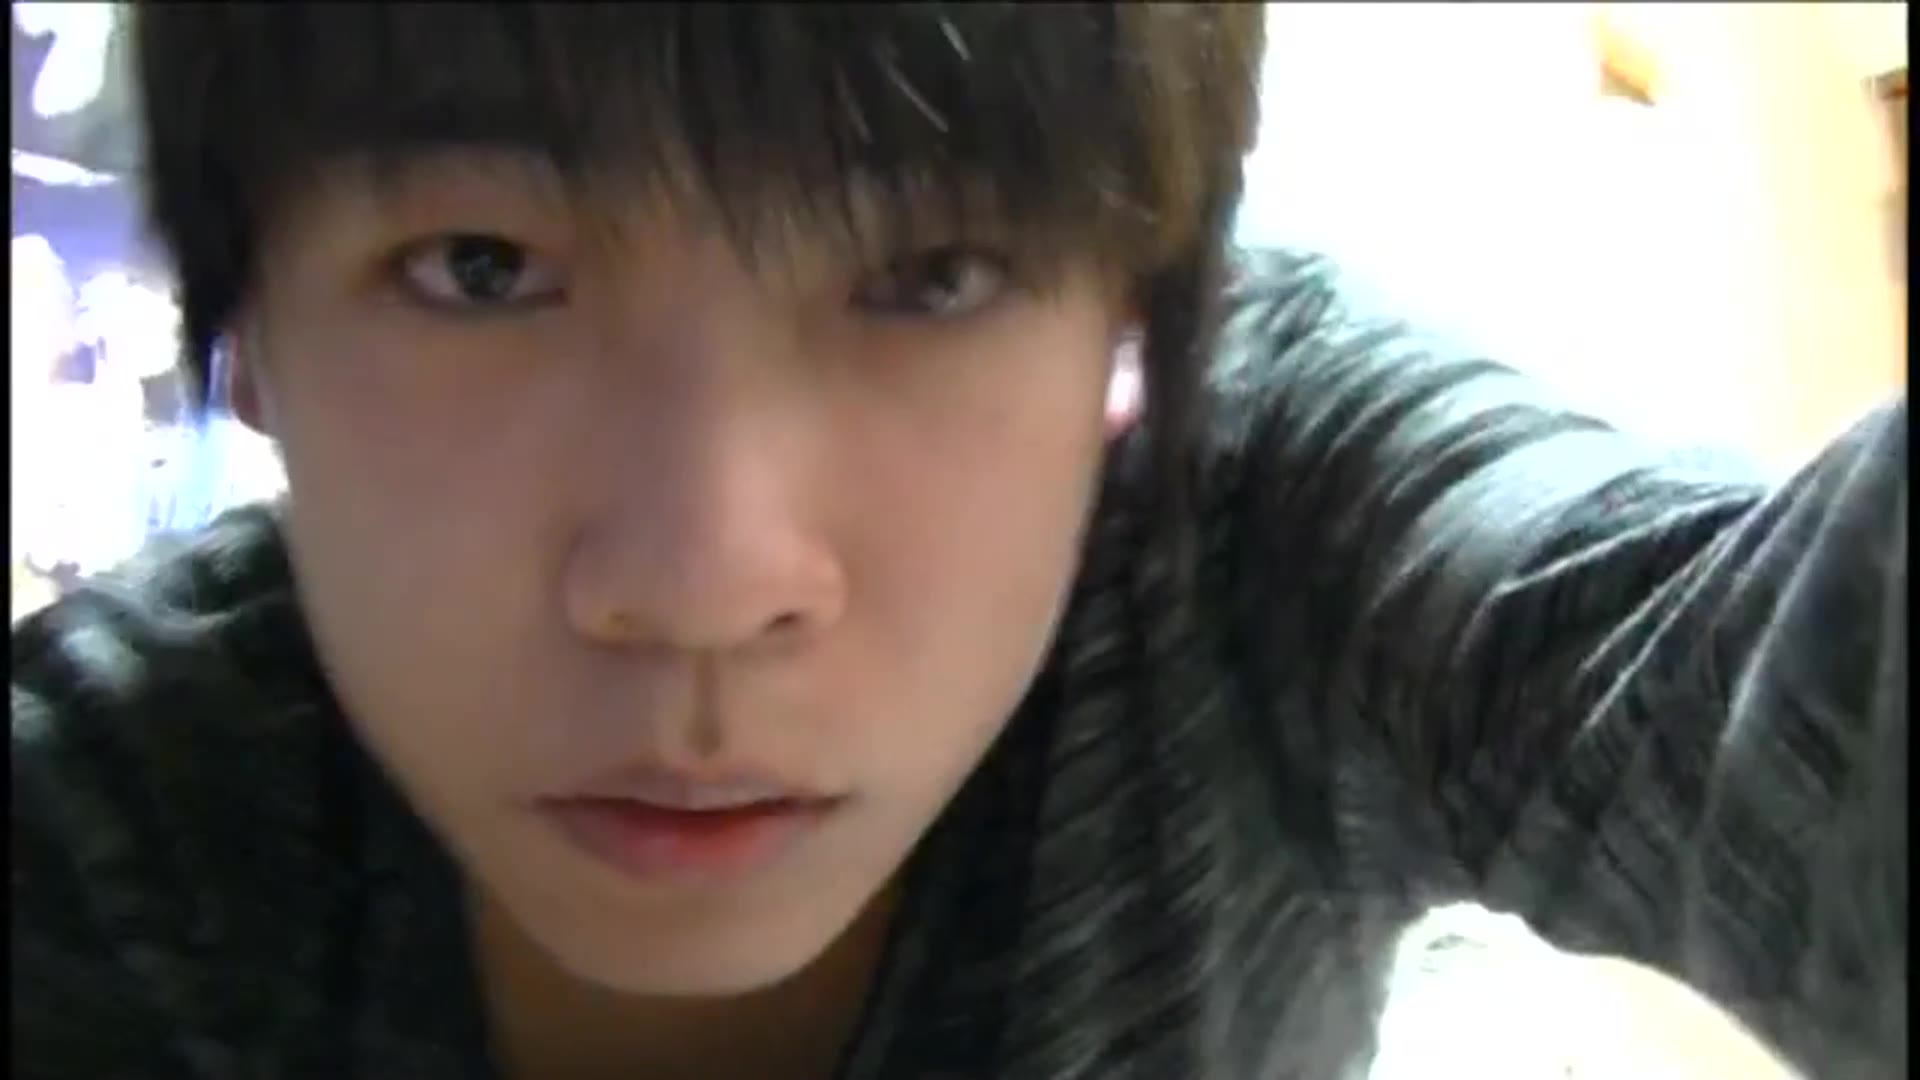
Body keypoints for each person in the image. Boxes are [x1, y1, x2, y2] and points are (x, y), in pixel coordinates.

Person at [11, 6, 1905, 1080]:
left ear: (1133, 324)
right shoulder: (107, 831)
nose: (704, 583)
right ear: (245, 331)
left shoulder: (1254, 523)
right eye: (483, 267)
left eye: (932, 276)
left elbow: (1750, 708)